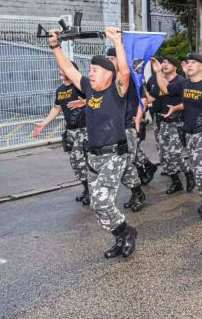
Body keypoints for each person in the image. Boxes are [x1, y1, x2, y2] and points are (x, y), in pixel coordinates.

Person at [49, 27, 138, 259]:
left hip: (114, 154)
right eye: (90, 70)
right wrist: (55, 46)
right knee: (98, 206)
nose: (91, 74)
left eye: (95, 70)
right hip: (93, 156)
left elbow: (125, 73)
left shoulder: (117, 90)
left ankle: (128, 231)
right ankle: (120, 236)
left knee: (101, 199)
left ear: (108, 74)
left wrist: (117, 41)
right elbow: (68, 68)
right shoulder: (89, 89)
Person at [161, 53, 202, 218]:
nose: (189, 65)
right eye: (188, 62)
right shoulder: (185, 84)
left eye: (194, 62)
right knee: (196, 168)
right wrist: (175, 108)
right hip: (188, 133)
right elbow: (169, 91)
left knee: (200, 169)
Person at [31, 67, 89, 204]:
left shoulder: (80, 87)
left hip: (83, 130)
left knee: (80, 160)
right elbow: (56, 108)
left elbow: (97, 100)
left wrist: (85, 102)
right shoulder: (60, 90)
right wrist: (43, 123)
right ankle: (88, 189)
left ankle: (91, 190)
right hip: (70, 131)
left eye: (63, 70)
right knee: (76, 163)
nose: (60, 71)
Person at [106, 48, 148, 213]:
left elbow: (143, 98)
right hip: (112, 128)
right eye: (108, 58)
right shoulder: (108, 79)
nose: (110, 61)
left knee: (126, 163)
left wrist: (138, 118)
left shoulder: (130, 78)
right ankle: (136, 192)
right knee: (120, 164)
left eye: (113, 58)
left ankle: (138, 193)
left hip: (127, 126)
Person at [147, 56, 194, 194]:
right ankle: (175, 182)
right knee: (164, 155)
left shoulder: (181, 82)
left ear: (175, 67)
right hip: (161, 122)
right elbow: (151, 97)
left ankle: (188, 174)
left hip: (176, 122)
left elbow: (187, 102)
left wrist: (175, 108)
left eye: (168, 63)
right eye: (163, 62)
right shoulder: (155, 80)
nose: (164, 64)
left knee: (175, 154)